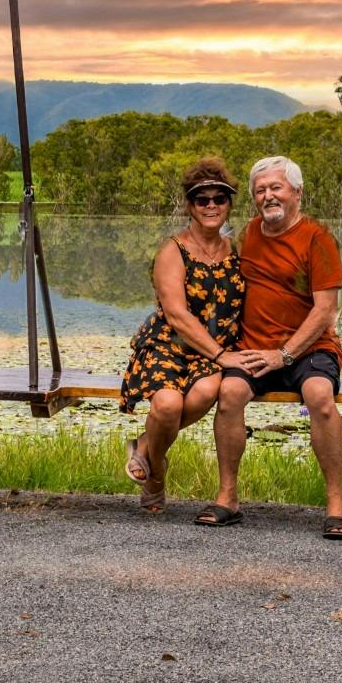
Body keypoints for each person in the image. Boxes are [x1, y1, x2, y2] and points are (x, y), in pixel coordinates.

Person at [197, 154, 342, 540]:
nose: (268, 196)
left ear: (297, 192)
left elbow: (325, 310)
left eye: (276, 187)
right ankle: (228, 498)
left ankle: (336, 504)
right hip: (254, 347)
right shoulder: (247, 234)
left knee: (318, 395)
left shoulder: (318, 239)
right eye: (260, 190)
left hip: (310, 348)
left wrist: (284, 355)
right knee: (229, 392)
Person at [118, 157, 250, 514]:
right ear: (190, 205)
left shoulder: (238, 250)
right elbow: (176, 315)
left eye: (218, 198)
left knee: (207, 390)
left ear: (229, 203)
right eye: (201, 199)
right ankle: (157, 476)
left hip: (215, 349)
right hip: (168, 344)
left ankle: (146, 447)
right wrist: (222, 357)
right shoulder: (171, 250)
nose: (211, 206)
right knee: (167, 404)